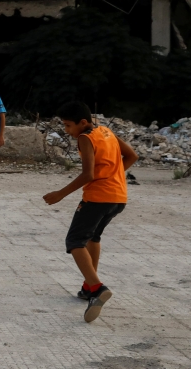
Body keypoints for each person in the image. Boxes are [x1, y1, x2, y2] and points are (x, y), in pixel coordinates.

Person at [43, 100, 138, 323]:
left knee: (75, 241)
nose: (67, 130)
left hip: (97, 198)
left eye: (68, 126)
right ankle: (88, 286)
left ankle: (96, 288)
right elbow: (132, 156)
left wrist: (60, 194)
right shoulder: (106, 131)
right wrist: (114, 176)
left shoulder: (85, 138)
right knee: (93, 237)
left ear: (82, 123)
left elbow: (88, 175)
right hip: (118, 198)